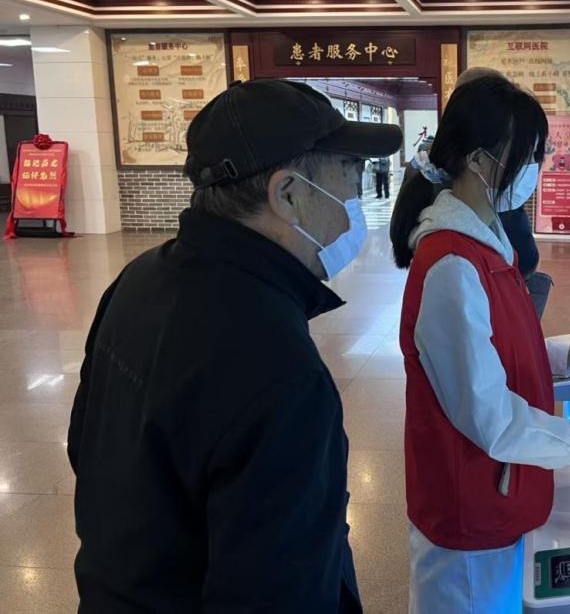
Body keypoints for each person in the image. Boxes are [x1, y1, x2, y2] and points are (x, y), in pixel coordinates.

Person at [68, 79, 402, 613]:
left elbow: (86, 444)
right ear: (287, 194)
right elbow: (280, 594)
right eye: (348, 176)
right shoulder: (280, 368)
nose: (352, 203)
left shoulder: (140, 278)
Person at [390, 76, 570, 612]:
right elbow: (491, 416)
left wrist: (569, 353)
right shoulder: (452, 265)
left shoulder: (485, 242)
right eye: (527, 156)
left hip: (492, 497)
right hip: (468, 519)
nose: (535, 170)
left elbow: (493, 354)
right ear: (479, 161)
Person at [453, 67, 553, 318]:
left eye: (534, 155)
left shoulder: (490, 195)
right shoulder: (454, 256)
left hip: (512, 282)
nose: (530, 166)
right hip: (496, 288)